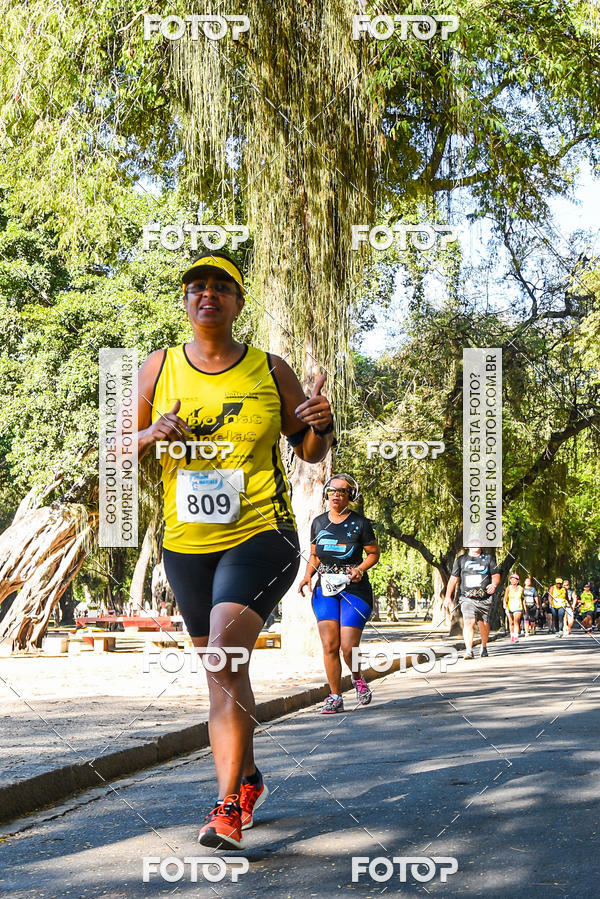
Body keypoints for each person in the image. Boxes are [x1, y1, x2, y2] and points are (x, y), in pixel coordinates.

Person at [135, 251, 335, 849]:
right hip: (187, 544)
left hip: (260, 536)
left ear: (238, 302)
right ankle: (248, 777)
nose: (207, 294)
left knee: (224, 657)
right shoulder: (157, 368)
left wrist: (322, 422)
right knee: (223, 672)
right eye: (197, 286)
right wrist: (147, 433)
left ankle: (225, 808)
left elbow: (310, 449)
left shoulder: (269, 370)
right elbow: (114, 452)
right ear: (186, 300)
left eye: (221, 287)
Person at [298, 474, 380, 713]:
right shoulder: (319, 522)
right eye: (332, 491)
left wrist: (360, 569)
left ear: (349, 496)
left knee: (347, 646)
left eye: (342, 491)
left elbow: (373, 553)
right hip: (325, 589)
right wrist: (306, 577)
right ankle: (335, 695)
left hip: (354, 589)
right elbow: (315, 556)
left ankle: (357, 678)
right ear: (327, 494)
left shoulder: (360, 523)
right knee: (329, 645)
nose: (336, 495)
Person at [444, 542, 501, 659]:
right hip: (467, 598)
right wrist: (448, 596)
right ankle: (469, 650)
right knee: (469, 622)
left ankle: (484, 646)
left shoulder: (489, 558)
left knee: (483, 623)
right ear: (467, 545)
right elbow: (453, 579)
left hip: (485, 599)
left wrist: (494, 585)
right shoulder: (461, 560)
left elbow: (496, 575)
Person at [503, 573, 524, 643]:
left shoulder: (521, 589)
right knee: (511, 622)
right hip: (509, 607)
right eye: (511, 579)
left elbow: (523, 598)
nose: (512, 581)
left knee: (516, 621)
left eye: (514, 579)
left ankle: (516, 636)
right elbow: (505, 597)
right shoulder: (508, 588)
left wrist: (525, 608)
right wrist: (504, 604)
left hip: (518, 607)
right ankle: (512, 635)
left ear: (517, 581)